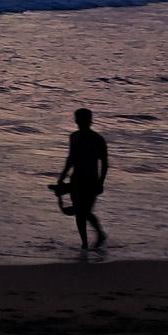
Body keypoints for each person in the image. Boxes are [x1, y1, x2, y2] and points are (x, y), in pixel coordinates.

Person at [57, 107, 108, 249]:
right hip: (76, 179)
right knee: (80, 213)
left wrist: (101, 182)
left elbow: (104, 162)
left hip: (91, 180)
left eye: (83, 120)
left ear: (89, 121)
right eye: (78, 120)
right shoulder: (74, 137)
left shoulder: (97, 139)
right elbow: (71, 159)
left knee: (83, 211)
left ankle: (99, 234)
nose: (80, 123)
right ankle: (85, 244)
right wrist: (62, 178)